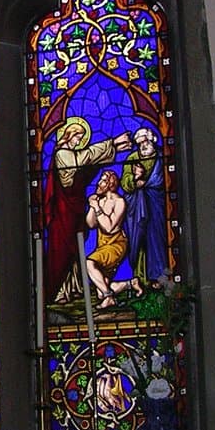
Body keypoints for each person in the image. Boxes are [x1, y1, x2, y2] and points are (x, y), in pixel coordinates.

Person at [43, 117, 131, 305]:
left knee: (75, 248)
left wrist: (112, 151)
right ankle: (59, 290)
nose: (79, 141)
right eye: (77, 137)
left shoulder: (73, 156)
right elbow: (85, 158)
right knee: (63, 250)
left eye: (81, 137)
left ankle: (73, 288)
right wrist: (112, 144)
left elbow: (85, 171)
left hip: (74, 210)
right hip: (63, 214)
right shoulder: (63, 154)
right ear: (69, 136)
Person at [120, 125, 168, 286]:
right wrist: (135, 178)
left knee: (156, 238)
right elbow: (125, 183)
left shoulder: (161, 157)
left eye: (146, 141)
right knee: (138, 241)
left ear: (152, 140)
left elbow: (162, 180)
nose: (143, 145)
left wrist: (144, 181)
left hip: (156, 205)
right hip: (136, 208)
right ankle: (139, 278)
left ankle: (158, 275)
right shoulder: (131, 159)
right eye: (140, 143)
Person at [85, 169, 128, 308]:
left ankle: (109, 297)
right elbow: (91, 224)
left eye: (102, 180)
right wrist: (93, 206)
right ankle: (129, 284)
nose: (98, 183)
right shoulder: (100, 201)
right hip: (101, 244)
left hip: (116, 244)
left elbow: (109, 227)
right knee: (101, 289)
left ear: (110, 183)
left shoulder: (119, 202)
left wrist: (97, 208)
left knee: (89, 263)